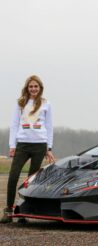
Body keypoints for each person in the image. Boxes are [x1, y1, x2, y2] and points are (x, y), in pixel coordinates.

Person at [0, 75, 55, 223]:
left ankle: (23, 211)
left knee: (30, 181)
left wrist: (48, 148)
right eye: (31, 86)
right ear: (27, 88)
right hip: (23, 145)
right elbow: (14, 124)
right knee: (13, 176)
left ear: (40, 88)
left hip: (39, 145)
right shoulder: (21, 103)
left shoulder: (46, 104)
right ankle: (8, 210)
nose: (33, 89)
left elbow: (49, 127)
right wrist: (12, 145)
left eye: (36, 86)